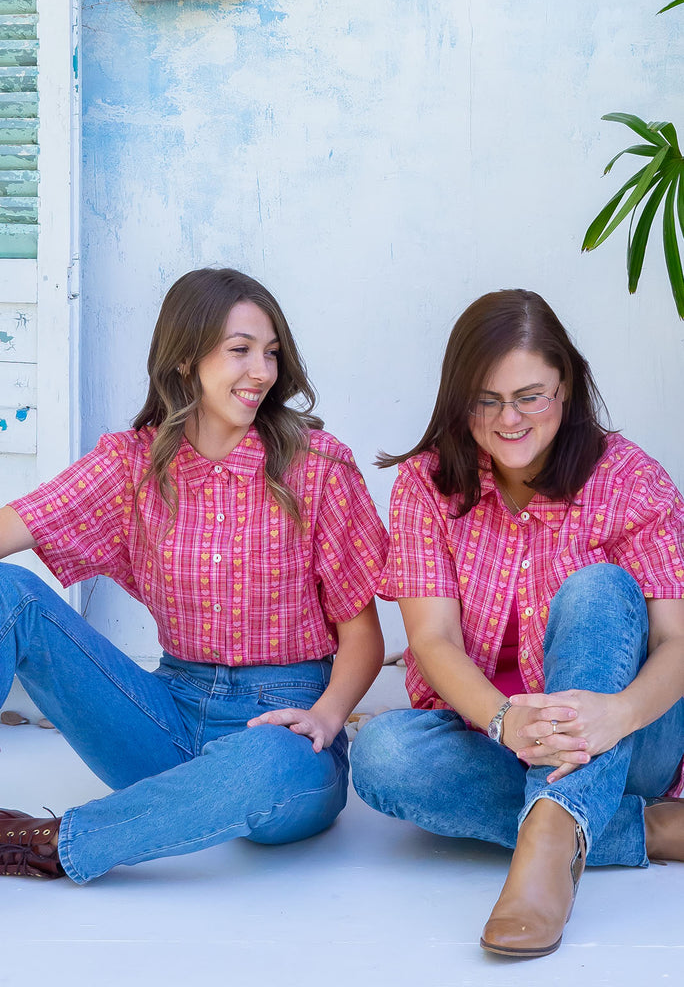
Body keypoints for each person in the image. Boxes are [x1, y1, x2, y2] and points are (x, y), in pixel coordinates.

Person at [0, 267, 388, 884]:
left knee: (270, 762)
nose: (261, 371)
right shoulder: (134, 462)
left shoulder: (316, 467)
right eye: (240, 351)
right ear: (185, 360)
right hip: (166, 717)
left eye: (270, 353)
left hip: (285, 731)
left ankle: (53, 844)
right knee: (8, 596)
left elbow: (364, 636)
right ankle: (163, 808)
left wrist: (327, 717)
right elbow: (16, 524)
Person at [351, 289, 684, 958]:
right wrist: (507, 721)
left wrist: (616, 716)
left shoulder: (628, 479)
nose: (510, 419)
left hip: (630, 737)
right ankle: (647, 830)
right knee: (381, 755)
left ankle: (548, 850)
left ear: (567, 386)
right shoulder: (426, 485)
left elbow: (678, 644)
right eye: (486, 399)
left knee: (595, 589)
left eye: (531, 395)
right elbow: (433, 640)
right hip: (498, 736)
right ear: (458, 396)